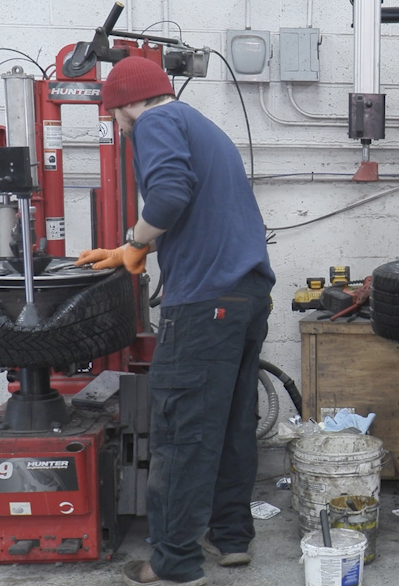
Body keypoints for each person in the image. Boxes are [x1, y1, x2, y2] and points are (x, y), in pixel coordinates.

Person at [75, 56, 274, 586]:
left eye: (114, 115)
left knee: (183, 432)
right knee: (231, 424)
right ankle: (230, 537)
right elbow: (197, 209)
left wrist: (133, 242)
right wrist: (139, 248)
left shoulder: (156, 122)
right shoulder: (204, 127)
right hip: (247, 296)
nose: (118, 127)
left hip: (205, 304)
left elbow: (168, 194)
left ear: (125, 104)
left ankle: (174, 563)